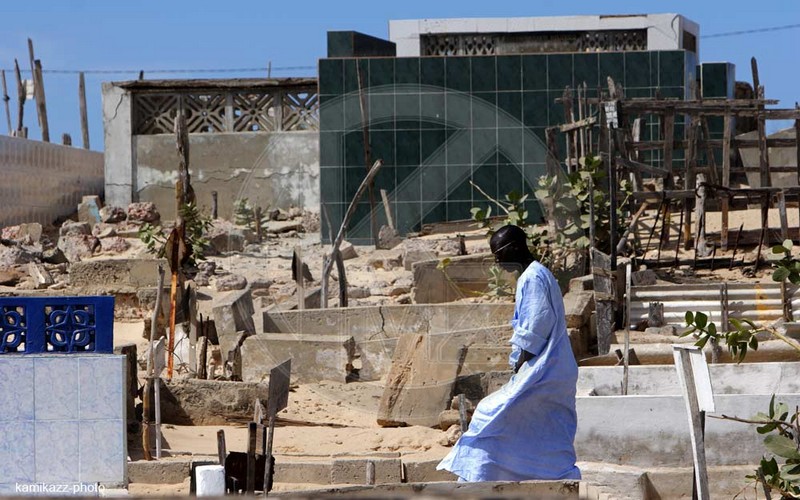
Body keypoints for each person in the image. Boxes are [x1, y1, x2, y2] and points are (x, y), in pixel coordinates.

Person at [437, 224, 581, 482]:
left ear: (515, 247)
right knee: (534, 427)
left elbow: (536, 328)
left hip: (545, 370)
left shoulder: (533, 277)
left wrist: (518, 367)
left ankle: (482, 476)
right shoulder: (534, 275)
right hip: (549, 369)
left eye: (499, 253)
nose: (497, 261)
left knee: (488, 414)